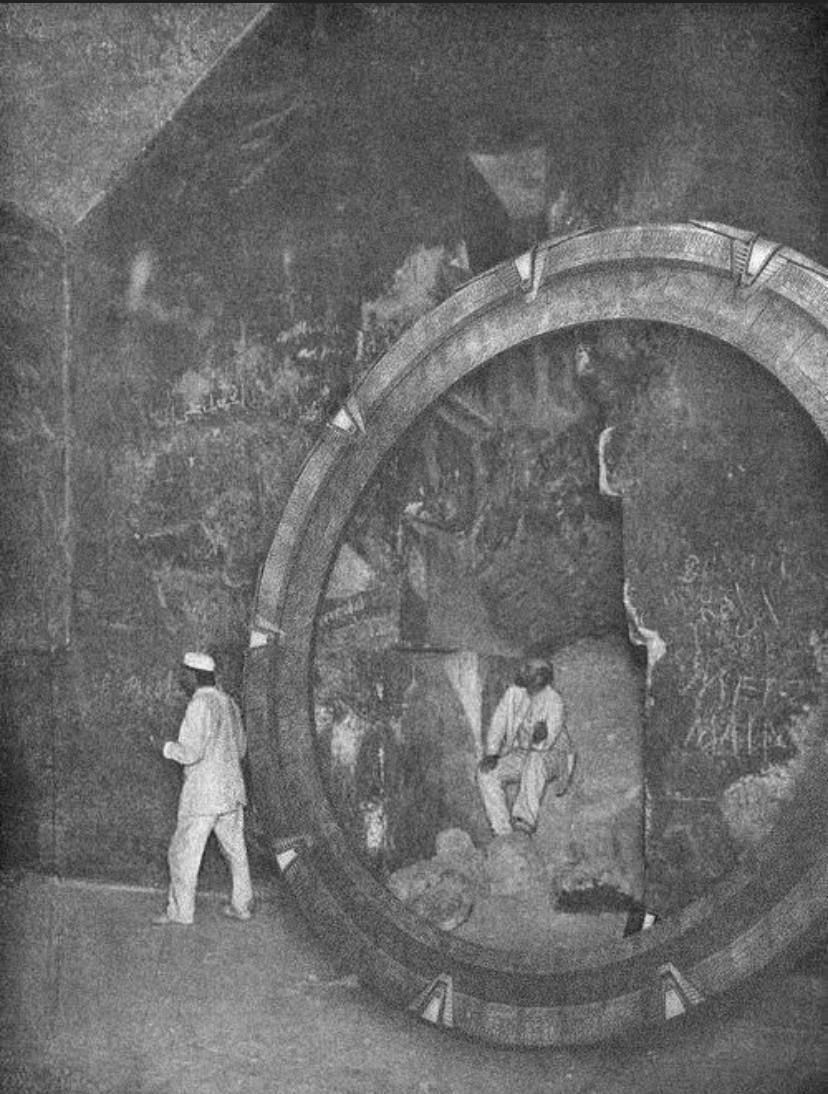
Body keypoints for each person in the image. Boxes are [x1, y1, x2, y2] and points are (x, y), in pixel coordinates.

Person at [152, 651, 254, 925]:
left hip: (204, 796)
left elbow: (191, 753)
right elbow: (241, 749)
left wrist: (165, 747)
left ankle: (181, 913)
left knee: (183, 854)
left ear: (192, 676)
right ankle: (242, 906)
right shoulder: (229, 703)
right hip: (231, 791)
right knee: (236, 852)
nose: (181, 679)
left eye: (184, 673)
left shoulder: (199, 705)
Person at [476, 658, 576, 837]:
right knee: (486, 773)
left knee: (535, 760)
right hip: (523, 754)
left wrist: (542, 736)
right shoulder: (513, 694)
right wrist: (492, 753)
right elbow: (498, 722)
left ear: (540, 677)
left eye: (528, 669)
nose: (522, 670)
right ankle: (503, 832)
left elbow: (546, 743)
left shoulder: (554, 701)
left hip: (553, 756)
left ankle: (524, 821)